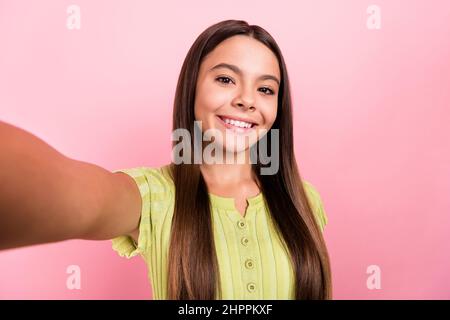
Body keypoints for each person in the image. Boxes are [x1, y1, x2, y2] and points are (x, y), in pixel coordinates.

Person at [0, 19, 332, 300]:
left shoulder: (304, 201)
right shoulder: (152, 197)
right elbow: (72, 194)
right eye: (226, 79)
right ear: (193, 89)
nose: (246, 100)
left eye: (266, 89)